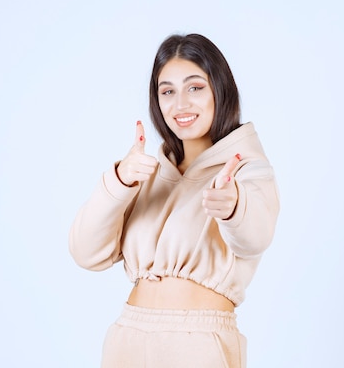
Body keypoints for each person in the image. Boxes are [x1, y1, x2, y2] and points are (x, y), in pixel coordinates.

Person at [69, 33, 280, 367]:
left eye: (195, 88)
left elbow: (255, 237)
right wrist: (120, 182)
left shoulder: (244, 168)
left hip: (198, 345)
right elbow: (86, 253)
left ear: (219, 91)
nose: (180, 104)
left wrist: (233, 206)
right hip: (129, 338)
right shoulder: (147, 171)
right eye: (168, 91)